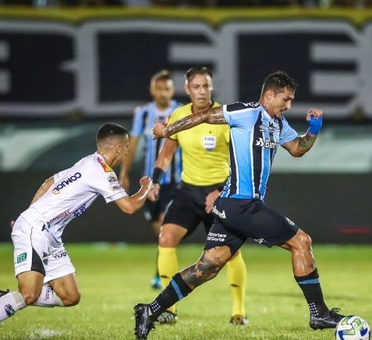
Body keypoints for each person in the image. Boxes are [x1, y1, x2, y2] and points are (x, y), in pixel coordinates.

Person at [133, 70, 347, 340]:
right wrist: (167, 130)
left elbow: (297, 148)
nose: (289, 105)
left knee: (207, 267)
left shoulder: (278, 123)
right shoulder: (246, 112)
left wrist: (313, 129)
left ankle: (149, 310)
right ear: (269, 95)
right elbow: (204, 116)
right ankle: (320, 313)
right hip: (242, 205)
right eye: (286, 99)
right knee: (301, 242)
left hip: (231, 206)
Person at [0, 123, 153, 340]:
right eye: (126, 147)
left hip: (50, 234)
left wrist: (29, 213)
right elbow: (130, 207)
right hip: (35, 229)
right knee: (28, 294)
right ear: (118, 148)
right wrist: (146, 187)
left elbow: (48, 183)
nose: (127, 152)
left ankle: (7, 300)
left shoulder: (87, 162)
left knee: (70, 296)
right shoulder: (102, 171)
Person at [147, 66, 247, 325]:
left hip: (221, 191)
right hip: (189, 191)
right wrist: (155, 181)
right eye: (197, 86)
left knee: (230, 252)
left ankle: (239, 311)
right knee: (166, 238)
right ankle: (170, 309)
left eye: (206, 86)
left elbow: (240, 163)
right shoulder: (178, 116)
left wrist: (221, 191)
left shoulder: (225, 117)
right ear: (187, 89)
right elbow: (167, 153)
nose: (202, 91)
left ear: (211, 88)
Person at [120, 69, 182, 290]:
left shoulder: (180, 112)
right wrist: (124, 173)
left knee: (166, 228)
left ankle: (162, 275)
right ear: (152, 90)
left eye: (167, 89)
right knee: (158, 228)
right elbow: (133, 145)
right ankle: (163, 266)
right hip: (149, 181)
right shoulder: (143, 114)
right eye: (159, 88)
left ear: (172, 91)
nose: (163, 93)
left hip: (174, 181)